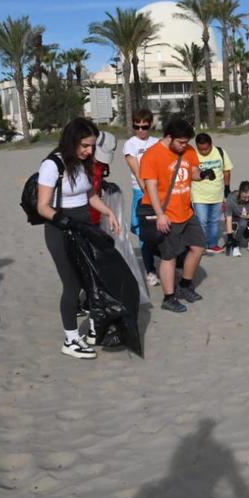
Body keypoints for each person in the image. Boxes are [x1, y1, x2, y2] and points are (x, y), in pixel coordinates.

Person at [36, 117, 122, 359]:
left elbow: (90, 196)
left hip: (85, 229)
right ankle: (71, 339)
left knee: (92, 279)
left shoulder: (84, 164)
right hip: (60, 232)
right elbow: (43, 206)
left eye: (92, 146)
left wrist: (109, 212)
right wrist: (65, 221)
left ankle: (94, 329)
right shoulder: (52, 165)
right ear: (71, 141)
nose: (89, 151)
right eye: (85, 145)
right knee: (72, 284)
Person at [140, 118, 206, 313]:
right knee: (169, 255)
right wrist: (160, 215)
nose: (185, 145)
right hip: (166, 213)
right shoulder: (152, 155)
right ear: (169, 137)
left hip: (186, 211)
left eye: (187, 142)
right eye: (181, 142)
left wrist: (202, 174)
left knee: (198, 247)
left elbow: (192, 171)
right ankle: (169, 297)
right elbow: (150, 187)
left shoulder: (188, 151)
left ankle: (185, 285)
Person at [122, 108, 161, 286]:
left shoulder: (156, 142)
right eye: (136, 127)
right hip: (141, 192)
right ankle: (150, 270)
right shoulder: (130, 144)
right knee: (143, 233)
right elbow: (137, 172)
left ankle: (164, 262)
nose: (140, 130)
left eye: (144, 127)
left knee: (162, 230)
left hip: (159, 191)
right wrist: (148, 192)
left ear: (150, 125)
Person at [192, 133, 234, 254]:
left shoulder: (220, 152)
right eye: (201, 149)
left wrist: (227, 187)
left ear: (211, 144)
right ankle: (201, 245)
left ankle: (212, 244)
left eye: (206, 149)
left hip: (217, 194)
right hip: (199, 195)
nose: (204, 152)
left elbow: (226, 170)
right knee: (202, 221)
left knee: (214, 221)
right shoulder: (192, 155)